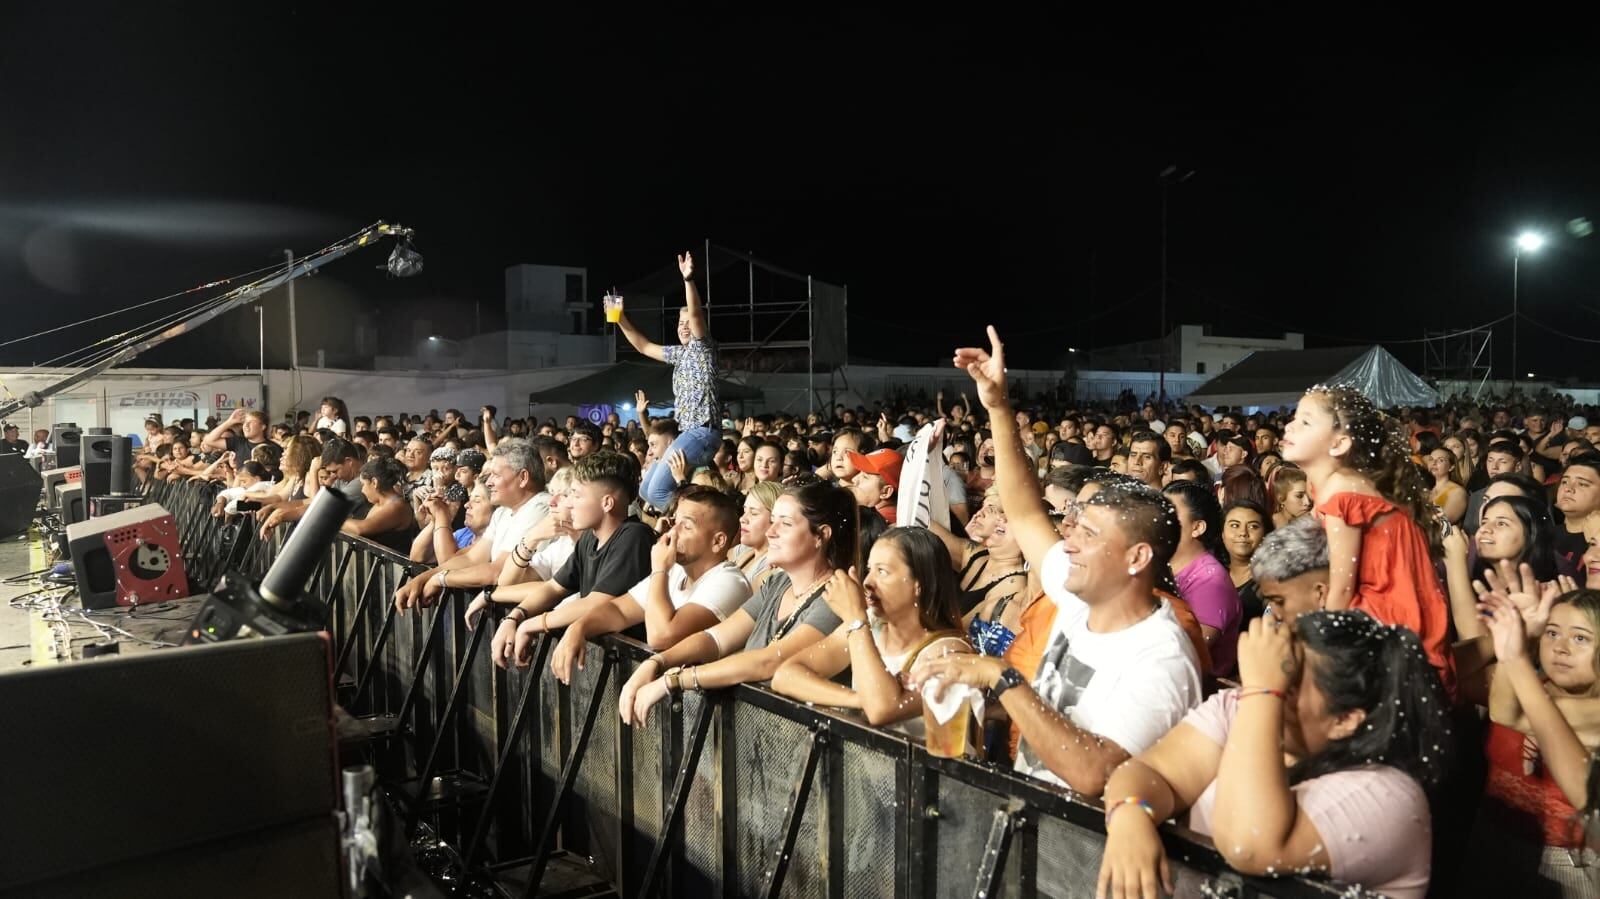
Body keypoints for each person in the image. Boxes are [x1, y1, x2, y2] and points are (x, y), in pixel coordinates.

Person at [909, 327, 1201, 796]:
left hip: (1080, 855)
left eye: (1087, 534)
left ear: (1137, 557)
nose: (1068, 543)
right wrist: (999, 408)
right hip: (1030, 821)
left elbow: (1093, 773)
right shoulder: (1080, 592)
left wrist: (999, 677)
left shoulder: (1160, 655)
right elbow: (1024, 509)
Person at [1097, 611, 1452, 899]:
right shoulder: (1243, 708)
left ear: (1344, 720)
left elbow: (1247, 843)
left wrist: (1263, 691)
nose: (1270, 682)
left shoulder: (1391, 798)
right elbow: (1151, 772)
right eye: (1277, 665)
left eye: (1289, 682)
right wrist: (1131, 813)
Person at [619, 482, 857, 726]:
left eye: (785, 524)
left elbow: (770, 661)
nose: (770, 532)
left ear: (822, 535)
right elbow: (714, 639)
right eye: (772, 520)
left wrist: (675, 679)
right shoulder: (778, 584)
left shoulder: (836, 597)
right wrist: (658, 662)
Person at [1280, 385, 1456, 698]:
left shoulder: (1341, 490)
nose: (1289, 426)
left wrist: (1320, 657)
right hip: (1392, 623)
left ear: (1339, 443)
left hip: (1390, 630)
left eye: (1305, 422)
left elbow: (1343, 588)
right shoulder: (1329, 486)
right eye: (1294, 418)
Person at [772, 527, 973, 734]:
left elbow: (880, 710)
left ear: (918, 584)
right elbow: (784, 676)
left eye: (882, 572)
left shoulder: (951, 652)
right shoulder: (873, 625)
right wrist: (858, 699)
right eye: (869, 570)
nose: (867, 581)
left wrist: (855, 619)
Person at [1468, 585, 1600, 894]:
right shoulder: (1534, 682)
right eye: (1552, 633)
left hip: (1566, 864)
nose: (1561, 647)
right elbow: (1449, 675)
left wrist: (1516, 648)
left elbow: (1504, 712)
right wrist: (1518, 630)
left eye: (1580, 638)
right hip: (1490, 836)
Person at [548, 486, 752, 683]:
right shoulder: (676, 570)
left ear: (718, 542)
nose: (672, 533)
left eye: (687, 526)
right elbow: (619, 610)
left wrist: (659, 570)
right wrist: (579, 627)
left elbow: (662, 636)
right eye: (675, 523)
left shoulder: (729, 581)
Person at [489, 451, 655, 664]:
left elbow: (598, 602)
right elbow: (554, 588)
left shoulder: (634, 536)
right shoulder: (589, 540)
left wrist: (534, 623)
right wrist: (516, 616)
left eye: (576, 495)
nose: (569, 504)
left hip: (629, 666)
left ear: (607, 503)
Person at [392, 438, 551, 613]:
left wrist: (440, 579)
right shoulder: (503, 512)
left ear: (523, 478)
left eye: (496, 475)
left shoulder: (539, 507)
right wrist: (422, 579)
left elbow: (497, 571)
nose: (489, 482)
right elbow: (471, 558)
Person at [621, 252, 723, 513]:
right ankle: (689, 514)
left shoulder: (703, 348)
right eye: (680, 323)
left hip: (702, 432)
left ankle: (702, 518)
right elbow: (643, 346)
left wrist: (688, 280)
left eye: (688, 323)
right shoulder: (680, 354)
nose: (684, 327)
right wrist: (619, 318)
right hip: (688, 433)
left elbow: (697, 315)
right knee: (646, 491)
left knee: (656, 491)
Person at [1165, 481, 1243, 676]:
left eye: (1170, 513)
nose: (1158, 519)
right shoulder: (1160, 564)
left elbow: (1188, 653)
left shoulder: (1211, 581)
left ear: (1197, 527)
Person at [340, 456, 421, 554]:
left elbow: (360, 529)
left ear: (374, 482)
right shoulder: (379, 503)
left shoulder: (397, 506)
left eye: (363, 485)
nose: (362, 490)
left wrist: (333, 519)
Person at [1224, 499, 1274, 622]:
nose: (1243, 533)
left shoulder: (1270, 583)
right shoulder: (1210, 573)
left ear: (1265, 535)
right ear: (1222, 534)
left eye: (1253, 526)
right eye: (1234, 525)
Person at [729, 480, 782, 584]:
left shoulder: (774, 567)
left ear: (775, 520)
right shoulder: (743, 550)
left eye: (753, 513)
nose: (742, 519)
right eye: (744, 511)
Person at [845, 447, 901, 525]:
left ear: (886, 492)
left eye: (865, 477)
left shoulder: (881, 526)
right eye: (859, 473)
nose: (854, 479)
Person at [202, 408, 270, 459]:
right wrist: (230, 422)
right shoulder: (238, 442)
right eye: (245, 422)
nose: (246, 425)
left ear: (262, 427)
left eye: (251, 422)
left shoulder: (272, 448)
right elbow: (209, 440)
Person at [1428, 446, 1468, 525]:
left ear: (1451, 467)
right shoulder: (1426, 490)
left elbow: (1444, 521)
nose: (1434, 463)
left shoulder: (1457, 491)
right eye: (1431, 459)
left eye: (1440, 460)